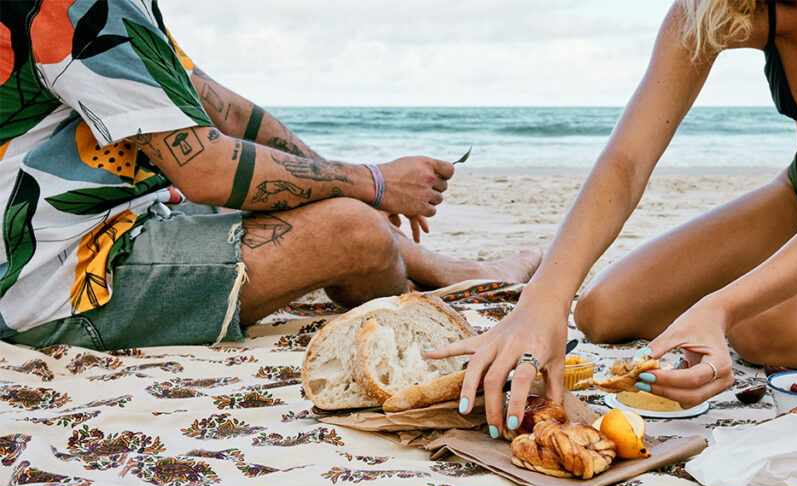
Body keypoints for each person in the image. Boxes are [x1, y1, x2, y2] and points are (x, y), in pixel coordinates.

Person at [428, 0, 797, 439]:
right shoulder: (725, 6)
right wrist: (546, 297)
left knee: (762, 329)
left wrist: (718, 308)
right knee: (601, 311)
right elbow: (626, 162)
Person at [0, 0, 540, 350]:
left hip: (109, 221)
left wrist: (360, 183)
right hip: (48, 287)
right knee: (356, 232)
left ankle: (450, 269)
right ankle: (401, 288)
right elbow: (208, 170)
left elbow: (225, 111)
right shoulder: (77, 6)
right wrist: (372, 184)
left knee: (313, 195)